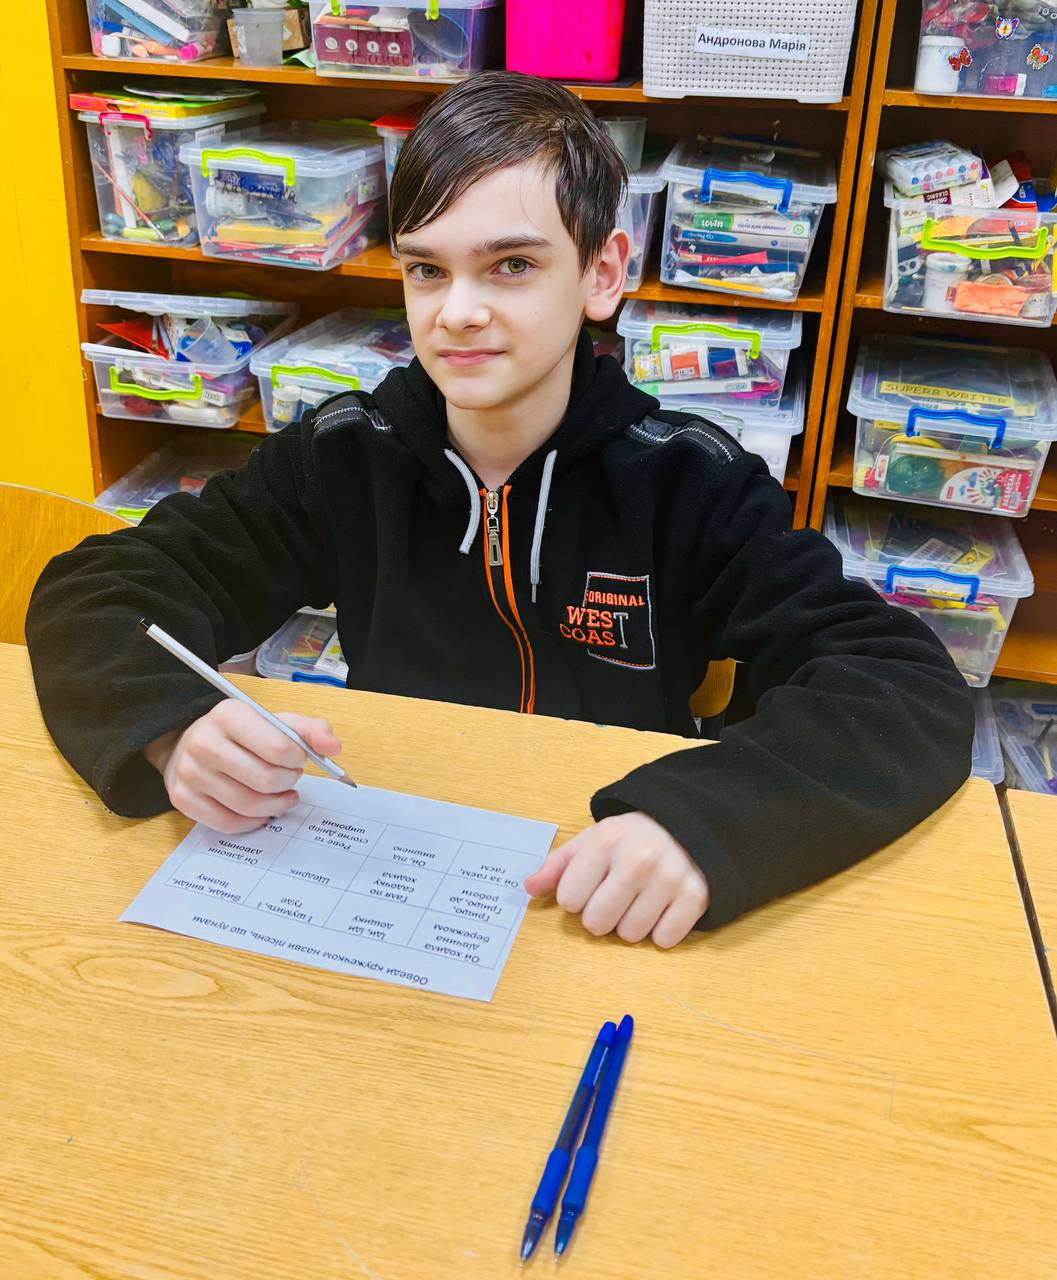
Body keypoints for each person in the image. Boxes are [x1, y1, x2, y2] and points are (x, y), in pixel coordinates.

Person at [27, 72, 973, 948]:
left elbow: (898, 682)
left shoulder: (688, 478)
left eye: (511, 265)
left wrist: (705, 820)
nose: (456, 312)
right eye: (427, 270)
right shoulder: (345, 455)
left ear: (601, 274)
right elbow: (99, 588)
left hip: (602, 876)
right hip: (391, 865)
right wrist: (171, 725)